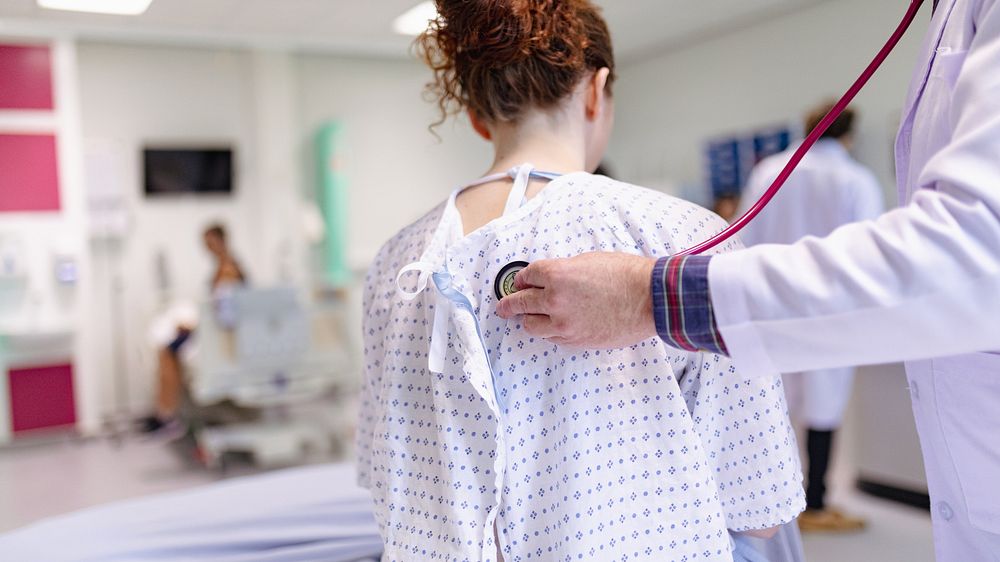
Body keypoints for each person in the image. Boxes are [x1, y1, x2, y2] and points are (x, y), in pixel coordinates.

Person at [496, 1, 1000, 559]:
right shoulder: (684, 226)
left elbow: (976, 252)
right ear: (599, 90)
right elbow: (759, 511)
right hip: (786, 320)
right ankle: (820, 497)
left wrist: (651, 297)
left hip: (791, 316)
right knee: (804, 427)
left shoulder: (418, 253)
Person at [357, 1, 806, 560]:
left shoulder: (395, 263)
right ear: (596, 91)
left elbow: (388, 483)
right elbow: (759, 508)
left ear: (476, 116)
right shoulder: (687, 237)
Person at [739, 102, 884, 532]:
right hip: (828, 313)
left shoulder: (768, 171)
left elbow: (744, 235)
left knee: (774, 406)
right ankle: (815, 504)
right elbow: (868, 250)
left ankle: (769, 506)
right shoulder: (855, 178)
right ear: (848, 135)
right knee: (823, 408)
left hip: (772, 306)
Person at [140, 224, 246, 434]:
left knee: (169, 350)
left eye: (209, 242)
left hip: (220, 337)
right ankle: (164, 412)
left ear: (221, 240)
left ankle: (166, 416)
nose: (206, 247)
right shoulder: (223, 267)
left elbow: (226, 315)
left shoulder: (229, 271)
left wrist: (194, 326)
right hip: (213, 331)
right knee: (168, 347)